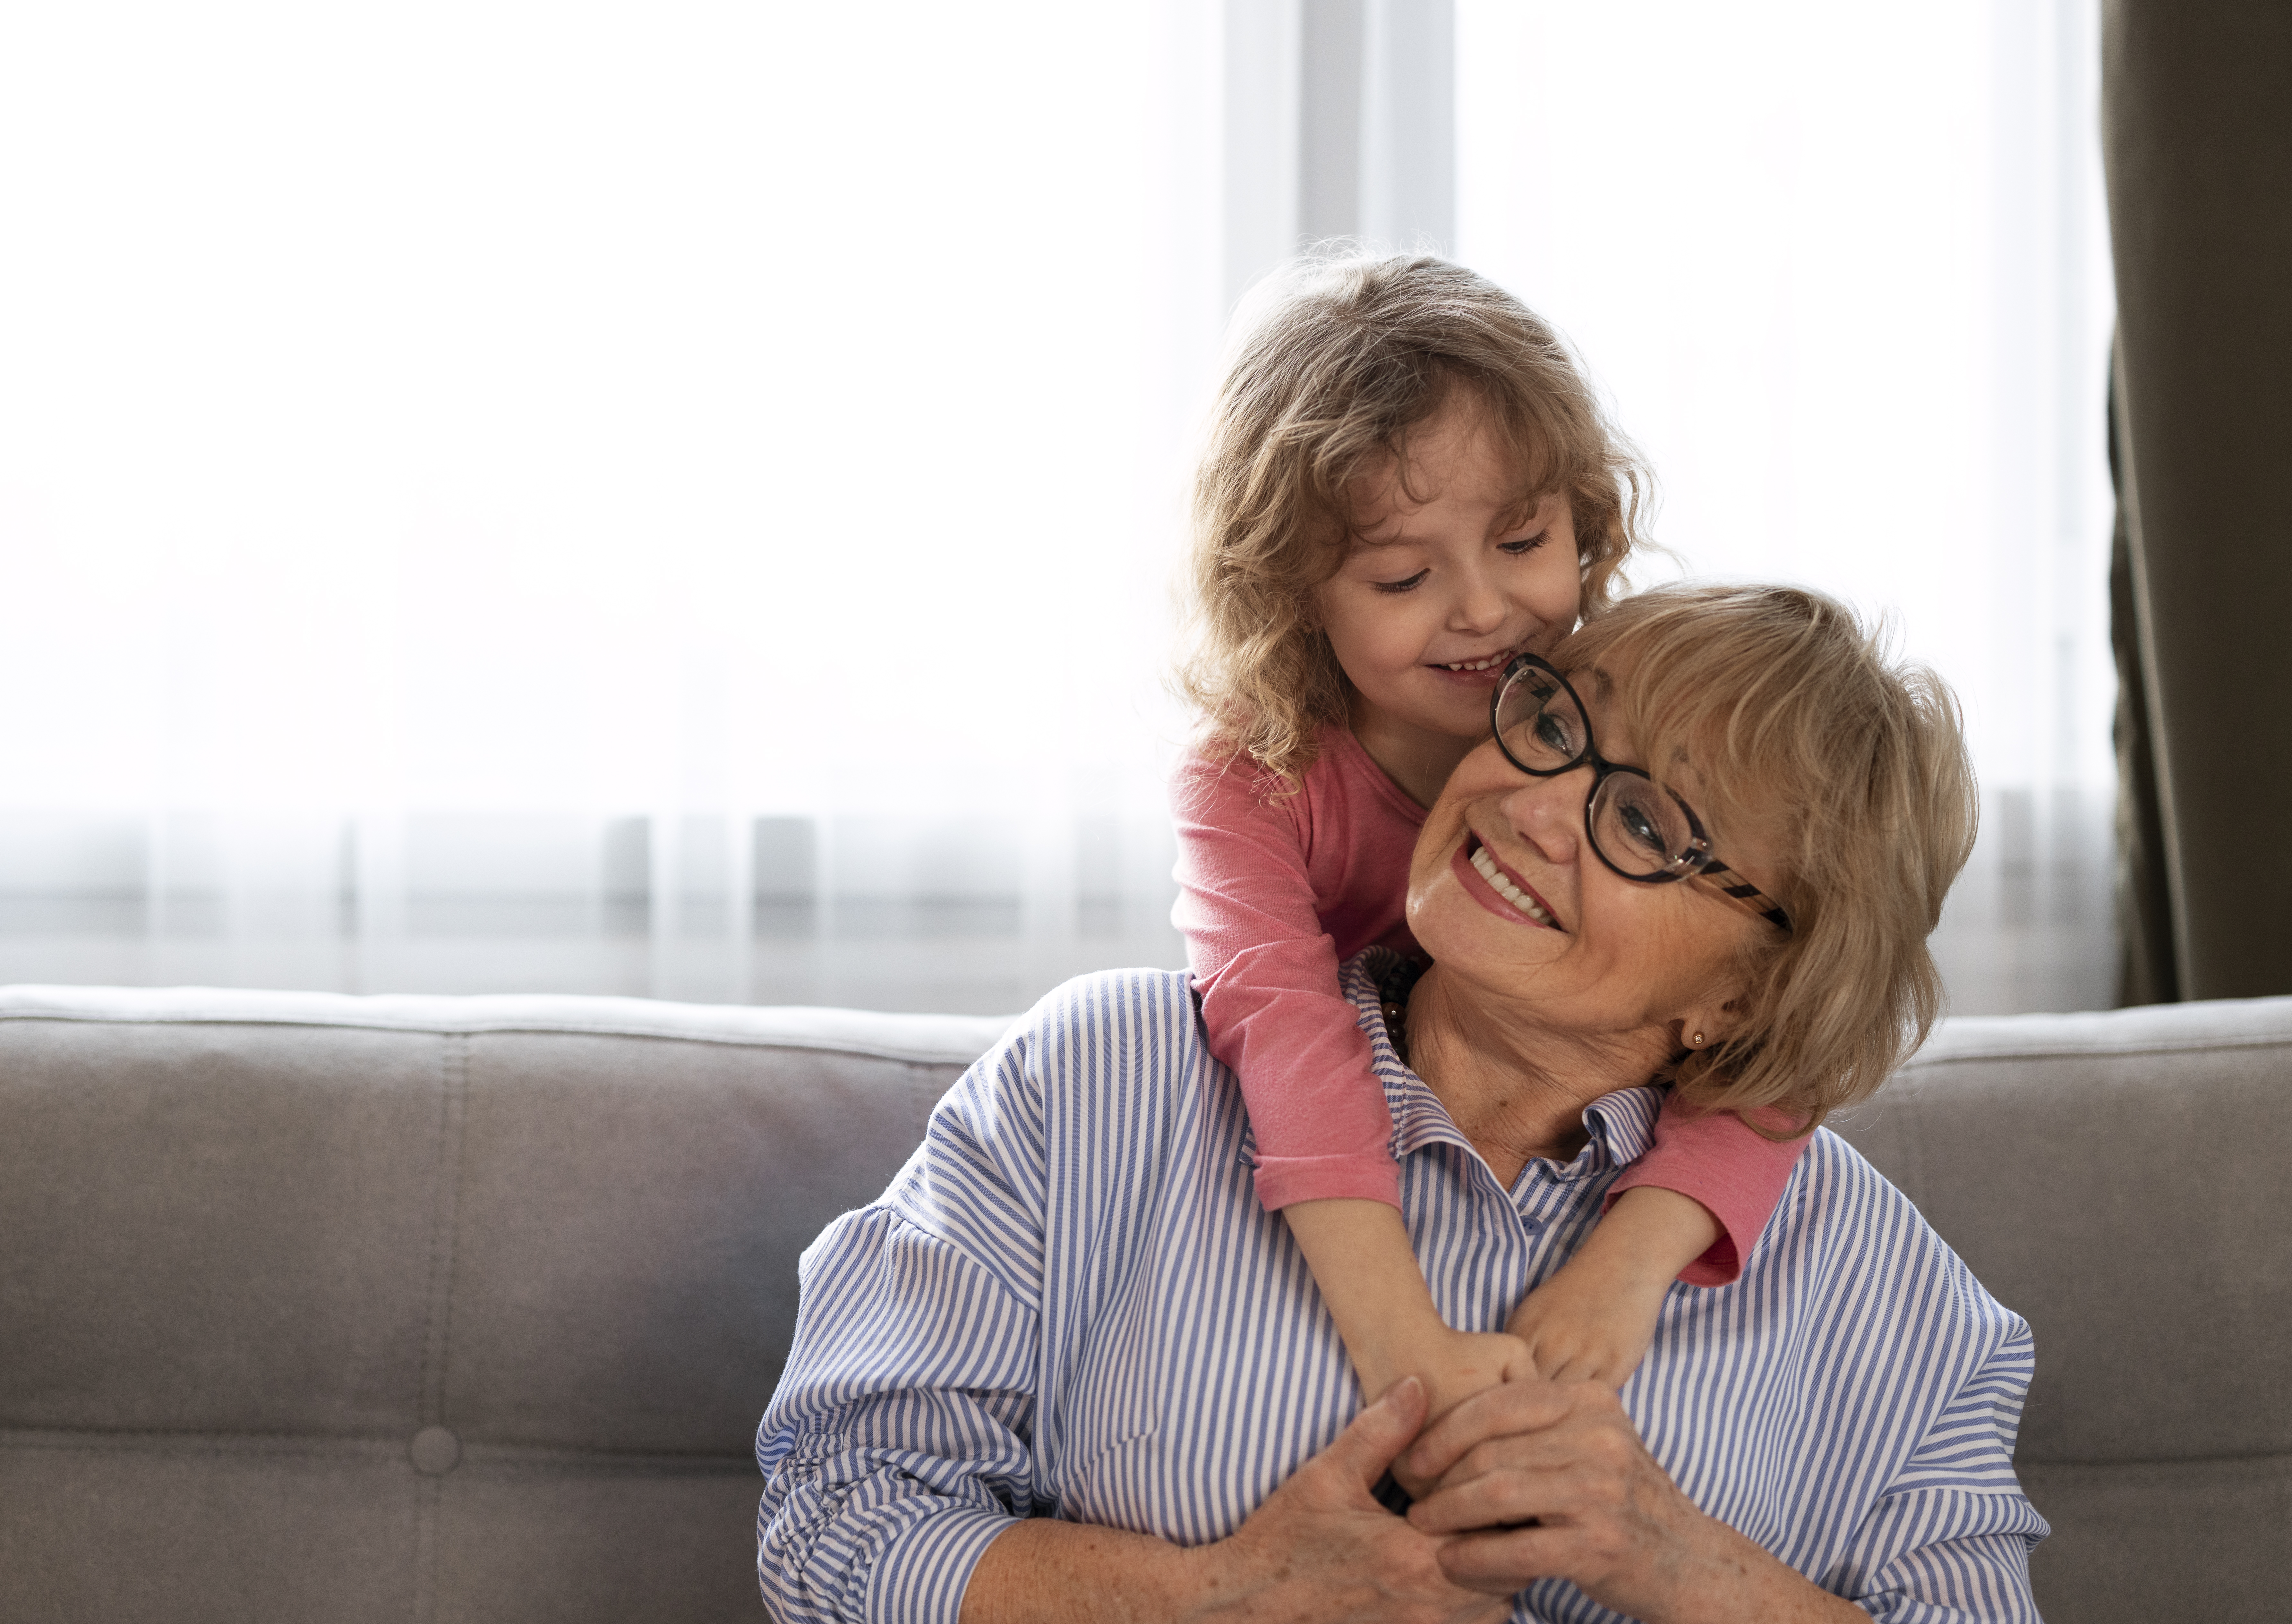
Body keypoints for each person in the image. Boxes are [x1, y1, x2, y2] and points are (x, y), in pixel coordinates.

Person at [758, 584, 2047, 1622]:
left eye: (1647, 826)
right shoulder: (1100, 1084)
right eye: (1553, 725)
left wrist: (1673, 1563)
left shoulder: (1900, 1308)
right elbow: (830, 1519)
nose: (1532, 805)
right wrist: (1212, 1602)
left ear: (1753, 989)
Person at [1171, 251, 1804, 1412]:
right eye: (1404, 575)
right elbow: (1283, 1032)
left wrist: (1627, 1267)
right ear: (1289, 593)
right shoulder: (1254, 778)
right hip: (1371, 1159)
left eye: (1522, 543)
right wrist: (1400, 1338)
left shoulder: (1607, 704)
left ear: (1585, 519)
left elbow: (1788, 1009)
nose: (1483, 609)